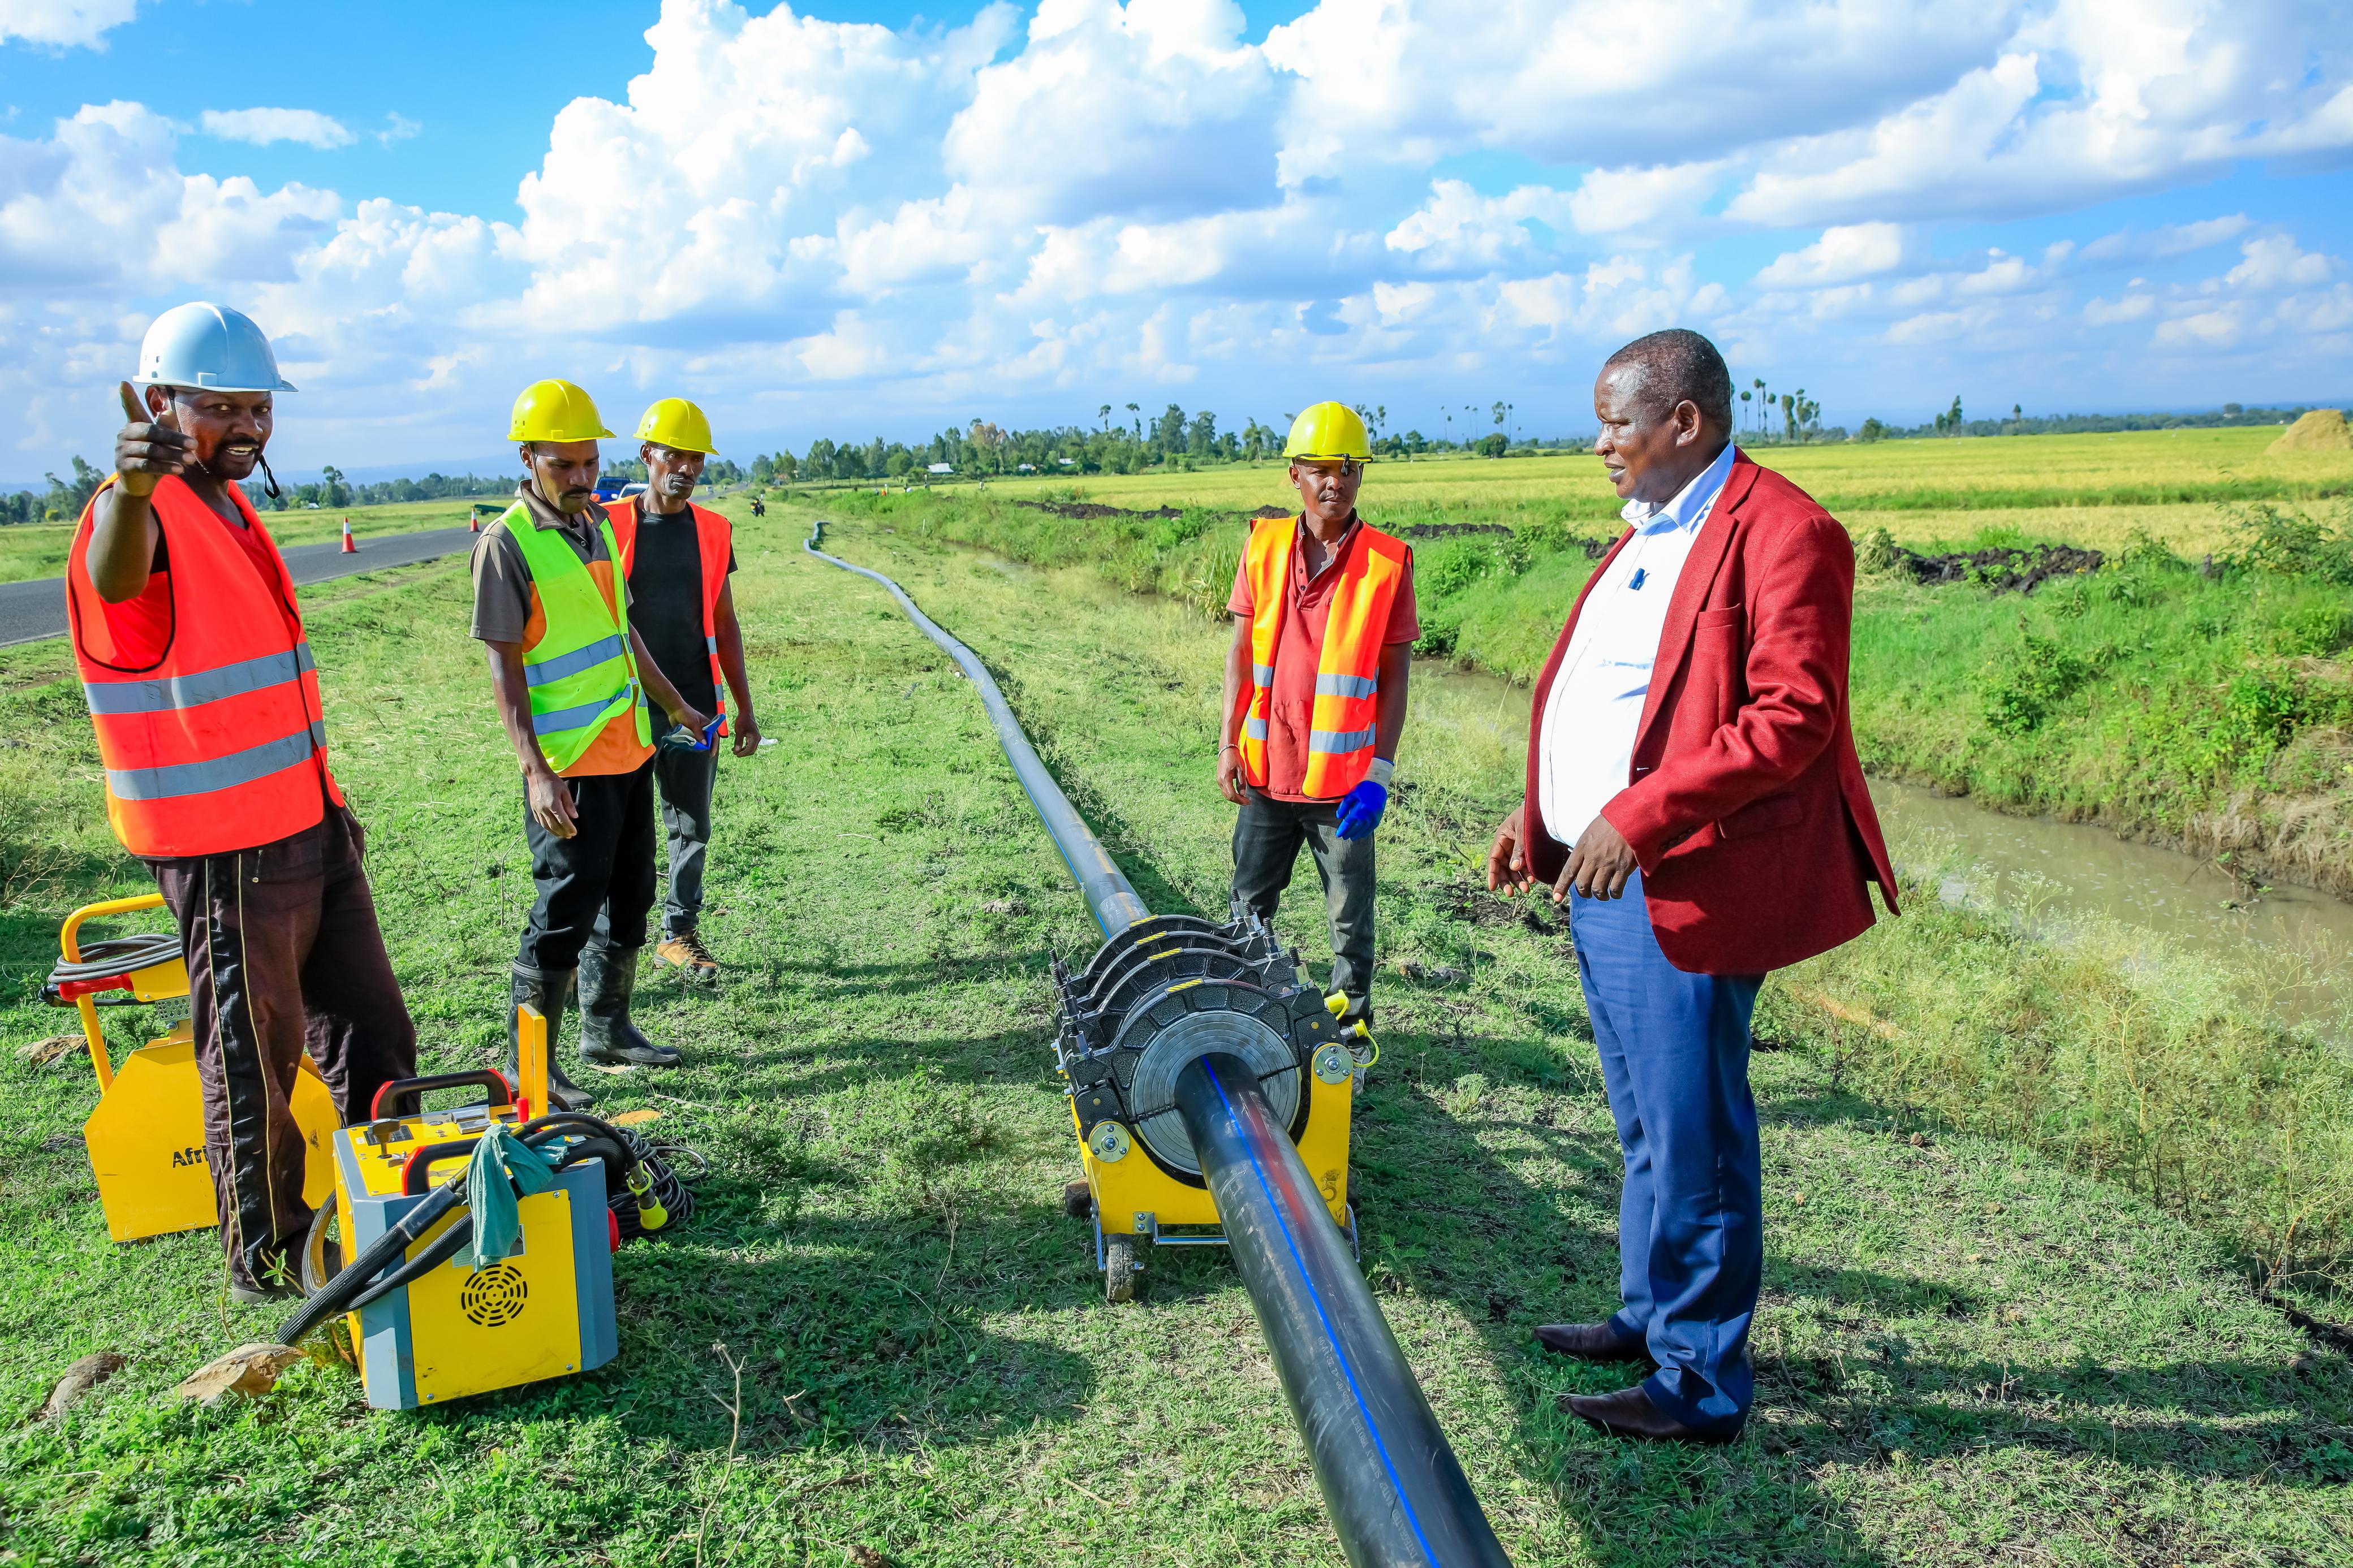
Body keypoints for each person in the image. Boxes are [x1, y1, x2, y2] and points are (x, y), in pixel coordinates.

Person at [1486, 329, 1898, 1445]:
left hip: (1688, 879)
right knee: (1642, 1121)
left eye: (1617, 422)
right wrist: (1544, 816)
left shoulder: (1783, 532)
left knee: (1696, 1131)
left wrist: (1638, 813)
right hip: (1604, 875)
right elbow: (1612, 697)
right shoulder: (1649, 534)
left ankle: (1700, 1380)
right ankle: (1646, 1313)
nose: (1601, 444)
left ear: (1687, 423)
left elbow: (1792, 714)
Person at [66, 302, 416, 1302]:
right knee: (254, 1061)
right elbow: (113, 573)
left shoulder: (227, 503)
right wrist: (134, 487)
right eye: (220, 406)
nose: (249, 426)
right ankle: (270, 1255)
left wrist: (325, 803)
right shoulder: (133, 511)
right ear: (164, 405)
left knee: (372, 1030)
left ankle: (399, 1196)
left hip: (304, 820)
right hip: (224, 848)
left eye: (259, 405)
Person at [471, 380, 710, 1109]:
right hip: (567, 766)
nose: (581, 477)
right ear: (528, 457)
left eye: (588, 462)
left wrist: (674, 703)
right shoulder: (505, 545)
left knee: (632, 894)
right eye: (565, 465)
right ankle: (531, 1074)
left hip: (629, 749)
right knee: (564, 912)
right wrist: (534, 771)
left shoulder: (597, 526)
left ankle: (608, 1031)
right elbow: (504, 668)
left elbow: (620, 632)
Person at [1217, 403, 1416, 1026]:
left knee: (1349, 917)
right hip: (1266, 773)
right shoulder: (1263, 546)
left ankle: (1350, 1030)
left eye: (1348, 468)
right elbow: (1240, 657)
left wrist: (1379, 774)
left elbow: (1395, 676)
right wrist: (1227, 746)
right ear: (1293, 476)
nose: (1335, 482)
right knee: (1247, 906)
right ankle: (1240, 1016)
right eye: (1320, 469)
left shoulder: (1387, 562)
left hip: (1344, 788)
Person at [599, 398, 762, 982]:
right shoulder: (608, 526)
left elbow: (725, 621)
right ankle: (602, 946)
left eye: (696, 457)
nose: (687, 467)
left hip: (696, 708)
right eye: (675, 454)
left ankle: (679, 933)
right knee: (617, 831)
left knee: (692, 824)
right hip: (622, 710)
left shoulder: (715, 531)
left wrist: (743, 707)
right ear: (647, 455)